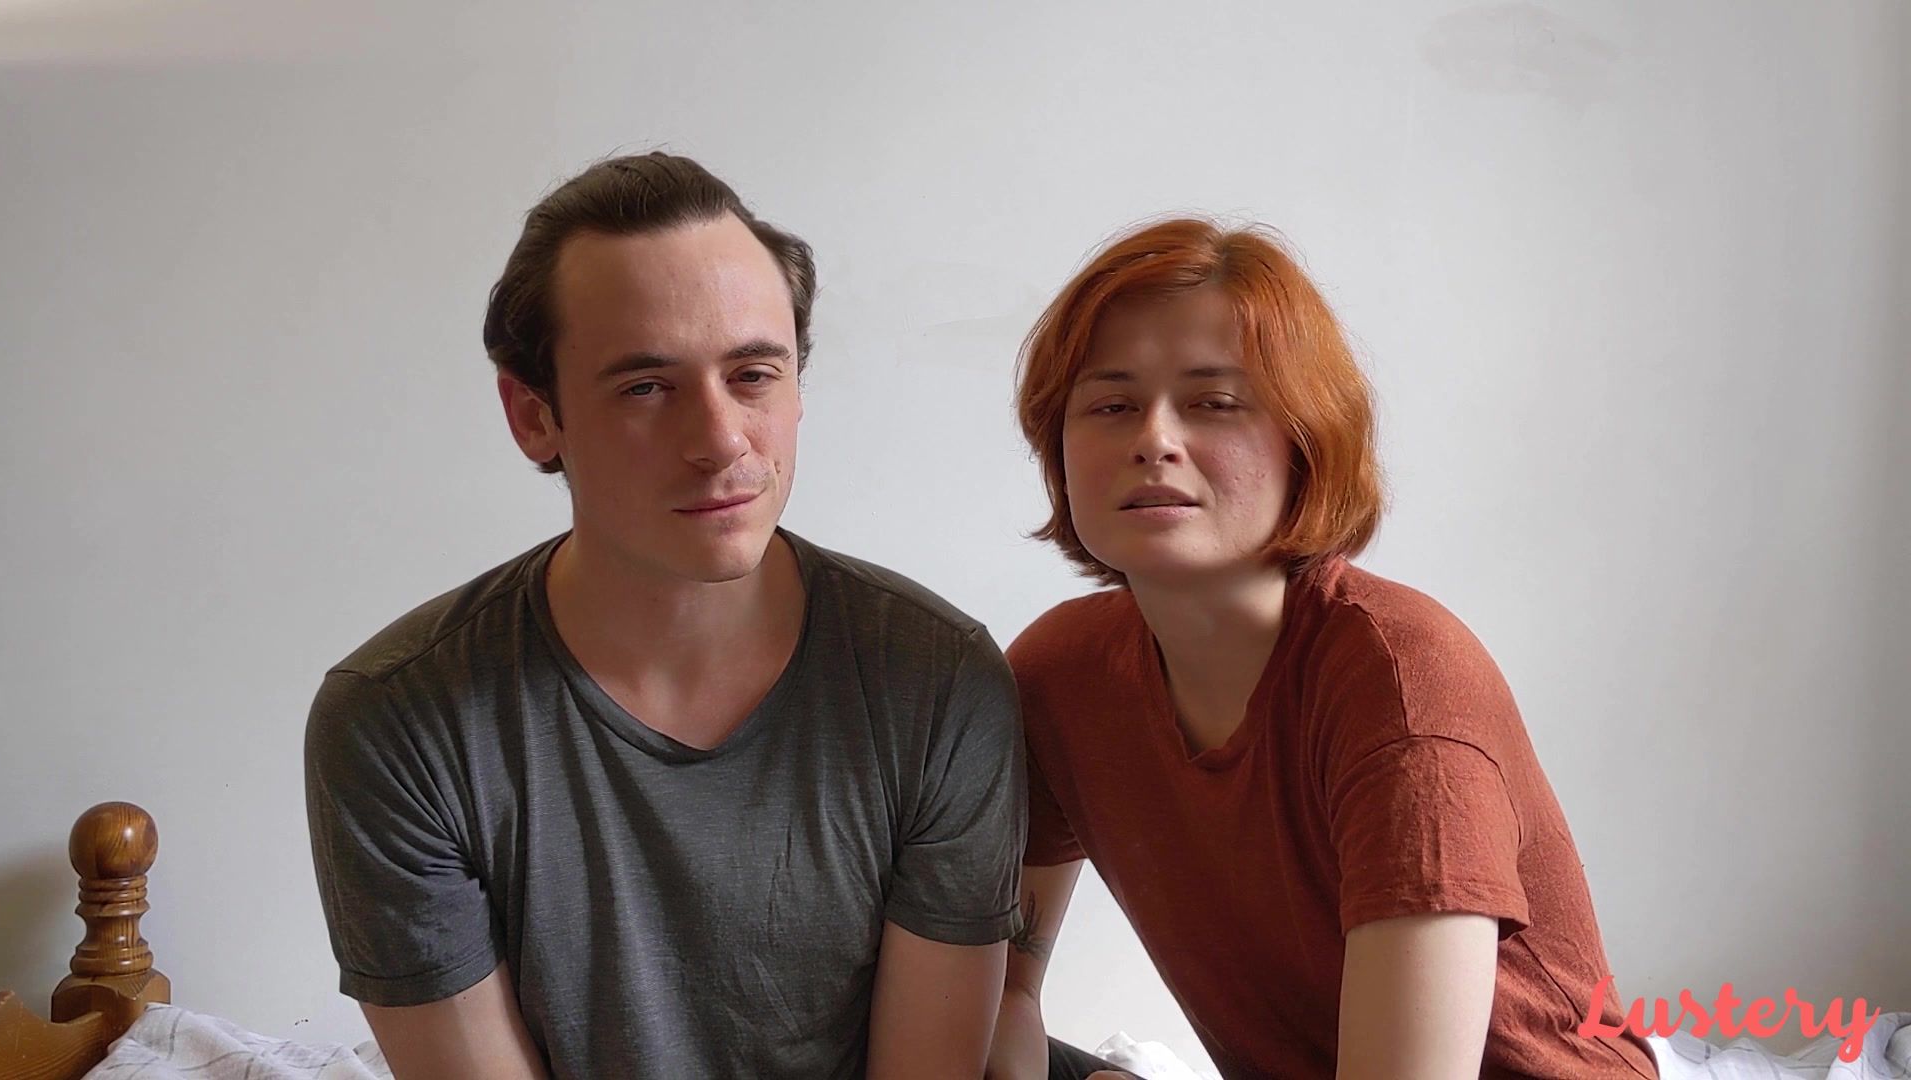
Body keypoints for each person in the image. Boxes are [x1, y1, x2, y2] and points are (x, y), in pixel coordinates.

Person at [304, 152, 1025, 1079]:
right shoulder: (399, 721)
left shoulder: (938, 682)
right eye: (646, 387)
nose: (721, 441)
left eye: (753, 375)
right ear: (533, 416)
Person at [984, 218, 1658, 1079]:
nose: (1154, 438)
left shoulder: (1399, 681)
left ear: (1305, 442)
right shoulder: (1061, 674)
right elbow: (1001, 991)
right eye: (1111, 406)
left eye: (1214, 403)